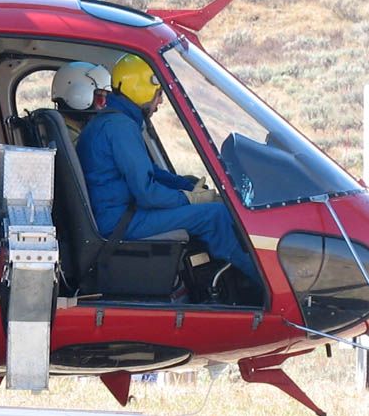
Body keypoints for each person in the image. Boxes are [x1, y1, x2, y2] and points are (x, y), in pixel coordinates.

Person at [76, 54, 260, 284]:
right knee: (216, 216)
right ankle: (259, 282)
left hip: (115, 215)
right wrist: (189, 199)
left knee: (209, 209)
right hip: (118, 222)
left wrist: (187, 185)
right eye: (159, 93)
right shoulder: (120, 127)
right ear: (142, 88)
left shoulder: (109, 121)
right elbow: (146, 193)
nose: (160, 101)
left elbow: (150, 171)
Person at [51, 61, 112, 145]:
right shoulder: (73, 140)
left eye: (105, 97)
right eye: (99, 96)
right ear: (77, 93)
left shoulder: (59, 129)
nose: (103, 104)